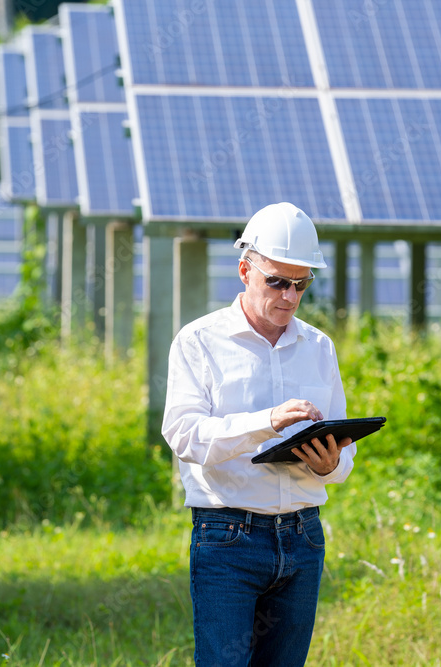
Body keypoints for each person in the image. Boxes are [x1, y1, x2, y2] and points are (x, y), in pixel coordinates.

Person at [162, 202, 355, 666]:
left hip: (304, 535)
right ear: (246, 270)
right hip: (227, 536)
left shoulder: (319, 347)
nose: (290, 296)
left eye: (301, 283)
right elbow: (185, 436)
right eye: (278, 282)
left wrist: (331, 465)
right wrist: (266, 422)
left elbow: (342, 459)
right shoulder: (198, 341)